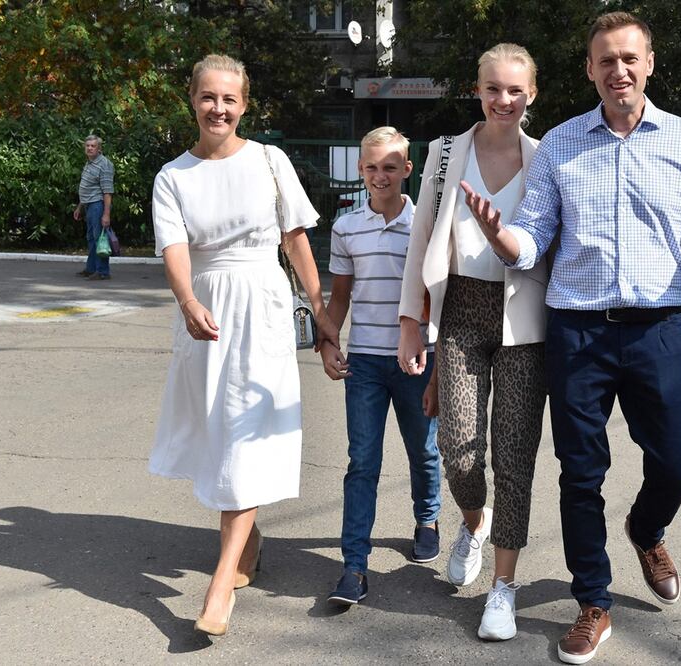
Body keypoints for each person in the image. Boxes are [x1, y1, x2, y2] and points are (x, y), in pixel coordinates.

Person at [460, 13, 681, 664]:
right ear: (589, 70)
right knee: (580, 477)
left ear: (649, 64)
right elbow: (531, 236)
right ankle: (592, 604)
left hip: (657, 330)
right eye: (605, 60)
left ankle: (645, 530)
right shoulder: (558, 145)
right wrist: (501, 238)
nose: (619, 71)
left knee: (677, 463)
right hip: (577, 333)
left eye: (629, 58)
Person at [148, 54, 337, 638]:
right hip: (205, 312)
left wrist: (322, 310)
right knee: (217, 432)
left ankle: (220, 581)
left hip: (263, 309)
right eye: (209, 97)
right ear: (192, 99)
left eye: (229, 99)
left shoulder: (269, 161)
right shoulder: (172, 177)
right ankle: (248, 540)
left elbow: (295, 238)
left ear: (245, 104)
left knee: (245, 436)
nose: (219, 108)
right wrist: (186, 301)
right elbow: (174, 248)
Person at [397, 43, 549, 641]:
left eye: (515, 90)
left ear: (531, 94)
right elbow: (423, 240)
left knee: (514, 460)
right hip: (459, 311)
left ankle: (504, 589)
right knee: (460, 452)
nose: (503, 99)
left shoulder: (548, 157)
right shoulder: (442, 156)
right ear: (477, 90)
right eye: (493, 88)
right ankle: (472, 521)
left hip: (525, 322)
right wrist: (413, 320)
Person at [320, 127, 443, 607]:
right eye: (371, 167)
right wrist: (328, 342)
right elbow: (341, 296)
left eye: (390, 166)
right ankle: (354, 567)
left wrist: (437, 359)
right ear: (360, 171)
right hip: (366, 362)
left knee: (424, 450)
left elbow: (437, 295)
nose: (380, 175)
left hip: (417, 358)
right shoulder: (346, 228)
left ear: (407, 170)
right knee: (362, 462)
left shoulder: (426, 224)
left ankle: (427, 517)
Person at [73, 135, 114, 280]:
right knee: (91, 238)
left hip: (98, 206)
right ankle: (91, 268)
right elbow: (87, 189)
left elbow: (107, 191)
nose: (90, 148)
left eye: (93, 146)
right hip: (88, 206)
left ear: (99, 148)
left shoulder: (105, 165)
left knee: (99, 239)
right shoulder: (90, 163)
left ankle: (103, 271)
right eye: (87, 145)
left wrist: (106, 214)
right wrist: (79, 207)